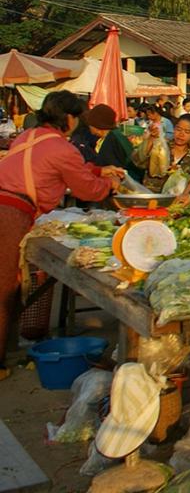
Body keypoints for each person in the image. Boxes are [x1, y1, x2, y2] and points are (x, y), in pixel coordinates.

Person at [0, 91, 123, 379]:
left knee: (9, 286)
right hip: (10, 214)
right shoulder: (62, 147)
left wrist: (97, 169)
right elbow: (86, 190)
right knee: (4, 290)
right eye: (77, 117)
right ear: (68, 117)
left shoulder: (28, 136)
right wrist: (109, 185)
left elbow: (58, 167)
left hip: (7, 206)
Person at [132, 113, 190, 192]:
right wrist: (151, 139)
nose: (181, 134)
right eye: (178, 129)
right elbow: (138, 161)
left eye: (187, 132)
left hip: (177, 200)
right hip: (152, 195)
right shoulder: (160, 147)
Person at [83, 104, 143, 182]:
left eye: (90, 125)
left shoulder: (113, 138)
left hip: (121, 185)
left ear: (97, 125)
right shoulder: (109, 136)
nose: (89, 128)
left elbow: (130, 162)